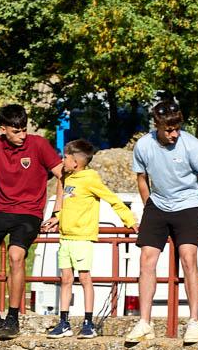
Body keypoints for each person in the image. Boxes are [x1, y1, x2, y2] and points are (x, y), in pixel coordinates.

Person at [125, 100, 198, 345]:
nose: (174, 134)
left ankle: (194, 321)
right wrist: (148, 206)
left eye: (177, 129)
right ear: (157, 126)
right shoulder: (144, 145)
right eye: (169, 130)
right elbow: (142, 178)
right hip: (157, 205)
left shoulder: (191, 145)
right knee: (146, 260)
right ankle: (144, 322)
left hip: (187, 205)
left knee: (188, 258)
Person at [0, 104, 64, 340]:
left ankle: (12, 318)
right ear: (3, 129)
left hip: (30, 213)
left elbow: (65, 175)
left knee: (16, 255)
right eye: (16, 131)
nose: (22, 135)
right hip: (1, 210)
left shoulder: (39, 144)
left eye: (24, 130)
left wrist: (57, 212)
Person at [46, 139, 137, 339]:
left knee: (85, 278)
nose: (62, 161)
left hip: (82, 238)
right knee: (66, 279)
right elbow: (67, 205)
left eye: (65, 157)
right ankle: (64, 322)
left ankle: (88, 323)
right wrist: (57, 218)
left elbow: (112, 199)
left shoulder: (90, 179)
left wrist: (130, 221)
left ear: (75, 162)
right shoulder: (68, 179)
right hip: (65, 238)